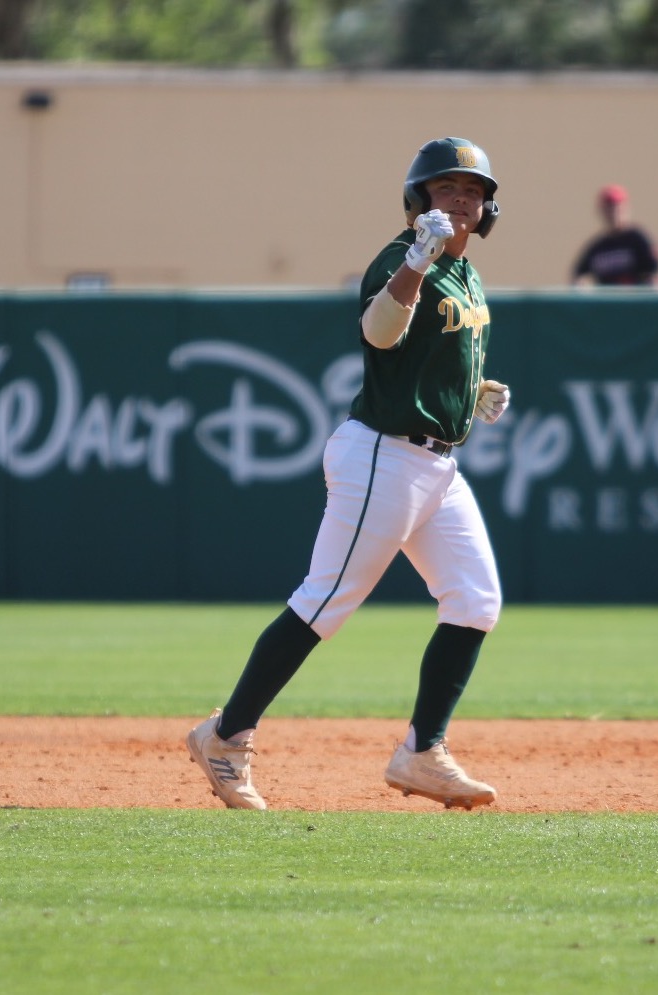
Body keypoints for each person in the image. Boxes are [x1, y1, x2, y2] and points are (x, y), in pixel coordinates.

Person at [186, 137, 510, 812]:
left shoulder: (467, 273)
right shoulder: (402, 259)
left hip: (437, 464)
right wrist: (416, 262)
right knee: (324, 601)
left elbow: (426, 351)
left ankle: (422, 751)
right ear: (418, 199)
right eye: (446, 188)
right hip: (383, 454)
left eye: (473, 191)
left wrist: (470, 386)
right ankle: (225, 735)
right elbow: (380, 333)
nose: (461, 200)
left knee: (475, 600)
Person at [570, 184, 658, 287]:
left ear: (626, 208)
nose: (614, 212)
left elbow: (656, 276)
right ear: (602, 211)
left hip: (635, 300)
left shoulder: (638, 240)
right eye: (609, 208)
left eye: (618, 207)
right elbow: (578, 275)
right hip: (607, 302)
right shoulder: (597, 247)